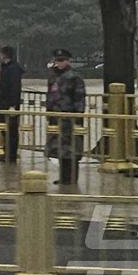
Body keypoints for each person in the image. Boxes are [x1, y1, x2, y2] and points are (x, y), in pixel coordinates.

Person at [45, 48, 86, 185]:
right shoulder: (53, 76)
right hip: (56, 117)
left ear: (68, 61)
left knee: (72, 150)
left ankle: (72, 178)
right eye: (57, 60)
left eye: (62, 60)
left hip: (70, 117)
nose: (59, 63)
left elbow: (79, 98)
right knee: (59, 149)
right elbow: (50, 94)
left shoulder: (74, 77)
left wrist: (78, 117)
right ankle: (64, 177)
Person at [0, 46, 24, 162]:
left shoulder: (13, 69)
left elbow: (15, 88)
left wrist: (13, 105)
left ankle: (11, 155)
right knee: (5, 129)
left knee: (11, 130)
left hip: (8, 105)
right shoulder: (7, 68)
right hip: (3, 104)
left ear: (4, 55)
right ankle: (7, 152)